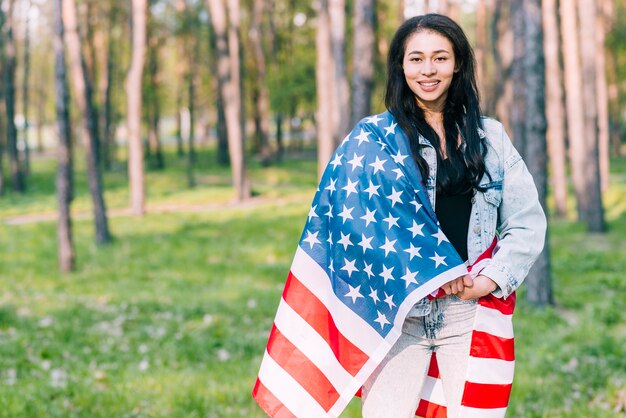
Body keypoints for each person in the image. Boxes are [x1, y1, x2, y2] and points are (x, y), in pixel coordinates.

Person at [360, 14, 547, 418]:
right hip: (399, 318)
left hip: (469, 315)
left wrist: (492, 279)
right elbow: (355, 229)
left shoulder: (490, 137)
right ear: (400, 66)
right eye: (416, 59)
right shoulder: (375, 140)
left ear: (458, 63)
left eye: (440, 58)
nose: (428, 70)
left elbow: (527, 222)